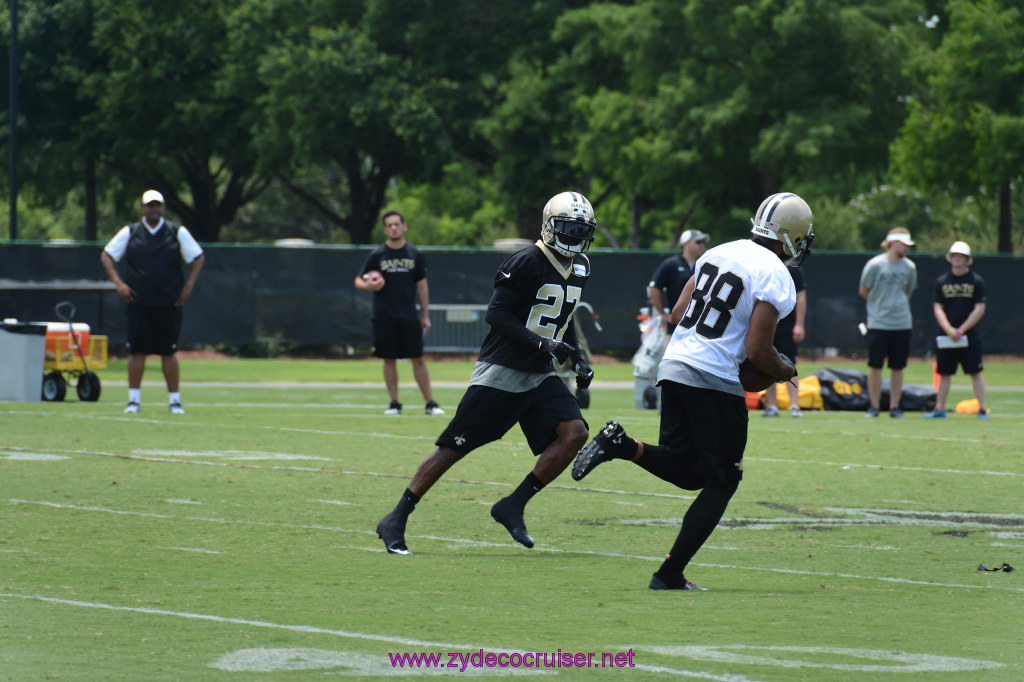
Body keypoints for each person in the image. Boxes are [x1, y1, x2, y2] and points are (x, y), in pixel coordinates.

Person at [573, 192, 812, 591]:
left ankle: (620, 444)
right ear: (791, 237)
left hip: (675, 365)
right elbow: (757, 350)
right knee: (723, 480)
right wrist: (784, 369)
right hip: (713, 375)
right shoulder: (777, 273)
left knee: (688, 470)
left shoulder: (718, 252)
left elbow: (679, 313)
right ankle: (669, 575)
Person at [375, 192, 597, 555]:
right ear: (549, 225)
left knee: (574, 433)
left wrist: (577, 359)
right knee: (454, 447)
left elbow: (564, 317)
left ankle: (513, 504)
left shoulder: (582, 266)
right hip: (503, 370)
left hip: (539, 374)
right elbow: (496, 314)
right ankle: (396, 517)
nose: (573, 236)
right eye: (567, 227)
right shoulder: (527, 260)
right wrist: (541, 345)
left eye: (580, 229)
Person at [100, 189, 205, 415]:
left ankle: (175, 401)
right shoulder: (131, 232)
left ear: (162, 207)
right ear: (143, 208)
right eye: (150, 205)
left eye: (157, 205)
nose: (153, 209)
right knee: (137, 351)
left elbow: (197, 256)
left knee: (169, 351)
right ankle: (133, 401)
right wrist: (119, 283)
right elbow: (107, 255)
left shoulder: (176, 232)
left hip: (169, 302)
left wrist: (188, 286)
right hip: (138, 302)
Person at [354, 210, 444, 416]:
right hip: (384, 315)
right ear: (385, 229)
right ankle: (394, 403)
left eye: (397, 224)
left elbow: (422, 286)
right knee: (388, 359)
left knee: (418, 358)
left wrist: (425, 315)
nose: (393, 228)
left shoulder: (415, 254)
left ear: (404, 226)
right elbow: (358, 280)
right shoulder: (377, 255)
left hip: (409, 315)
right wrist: (370, 286)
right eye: (389, 225)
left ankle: (430, 403)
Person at [639, 229, 710, 408]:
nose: (702, 245)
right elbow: (654, 287)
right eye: (698, 242)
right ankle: (667, 404)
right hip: (676, 327)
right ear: (685, 244)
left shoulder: (704, 265)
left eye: (703, 242)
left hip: (700, 327)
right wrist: (663, 313)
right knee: (671, 366)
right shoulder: (671, 264)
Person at [858, 227, 918, 418]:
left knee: (898, 366)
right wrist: (879, 307)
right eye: (904, 244)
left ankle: (894, 407)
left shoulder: (910, 267)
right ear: (893, 243)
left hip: (901, 323)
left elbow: (909, 291)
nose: (907, 248)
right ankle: (874, 406)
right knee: (875, 365)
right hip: (878, 323)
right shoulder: (875, 264)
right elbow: (864, 290)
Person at [924, 241, 987, 419]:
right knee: (944, 372)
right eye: (955, 256)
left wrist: (963, 329)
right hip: (947, 336)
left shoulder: (976, 281)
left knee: (975, 371)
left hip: (970, 335)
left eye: (961, 256)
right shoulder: (942, 282)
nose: (957, 259)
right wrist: (950, 329)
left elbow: (979, 308)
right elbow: (938, 308)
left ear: (967, 259)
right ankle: (939, 408)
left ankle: (982, 408)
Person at [762, 265, 807, 417]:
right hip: (768, 323)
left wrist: (799, 324)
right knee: (766, 364)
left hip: (787, 325)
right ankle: (772, 406)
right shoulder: (764, 266)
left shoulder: (793, 269)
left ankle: (794, 405)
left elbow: (801, 297)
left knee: (790, 363)